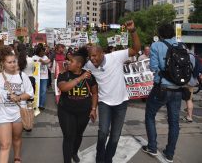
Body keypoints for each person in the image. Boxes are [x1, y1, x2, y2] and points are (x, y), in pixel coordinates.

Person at [84, 20, 141, 163]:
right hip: (104, 103)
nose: (92, 59)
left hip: (121, 103)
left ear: (102, 53)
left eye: (95, 56)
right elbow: (75, 63)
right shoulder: (89, 64)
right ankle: (99, 158)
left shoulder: (116, 56)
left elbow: (135, 49)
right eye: (90, 56)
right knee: (103, 132)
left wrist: (133, 31)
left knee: (115, 136)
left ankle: (108, 159)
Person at [142, 23, 184, 162]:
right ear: (173, 33)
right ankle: (170, 153)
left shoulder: (156, 46)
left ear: (159, 34)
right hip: (178, 89)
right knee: (174, 122)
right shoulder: (181, 45)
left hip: (162, 87)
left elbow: (154, 67)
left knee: (149, 114)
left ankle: (152, 147)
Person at [0, 45, 34, 163]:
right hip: (3, 114)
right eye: (9, 62)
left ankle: (17, 158)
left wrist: (19, 97)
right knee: (5, 145)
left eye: (14, 61)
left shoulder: (22, 76)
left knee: (17, 138)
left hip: (19, 114)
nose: (13, 64)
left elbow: (30, 93)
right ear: (2, 63)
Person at [57, 47, 98, 163]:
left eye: (71, 61)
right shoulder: (64, 75)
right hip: (66, 111)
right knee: (68, 136)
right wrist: (80, 78)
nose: (68, 63)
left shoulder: (90, 77)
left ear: (79, 64)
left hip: (84, 112)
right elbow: (63, 88)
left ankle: (74, 152)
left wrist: (93, 109)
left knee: (78, 135)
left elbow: (95, 93)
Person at [32, 45, 51, 110]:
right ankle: (35, 104)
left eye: (44, 51)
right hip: (36, 77)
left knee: (43, 91)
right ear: (38, 52)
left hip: (44, 76)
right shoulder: (34, 57)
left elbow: (47, 62)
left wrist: (42, 60)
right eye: (42, 52)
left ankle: (41, 104)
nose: (43, 53)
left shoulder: (45, 57)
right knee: (36, 90)